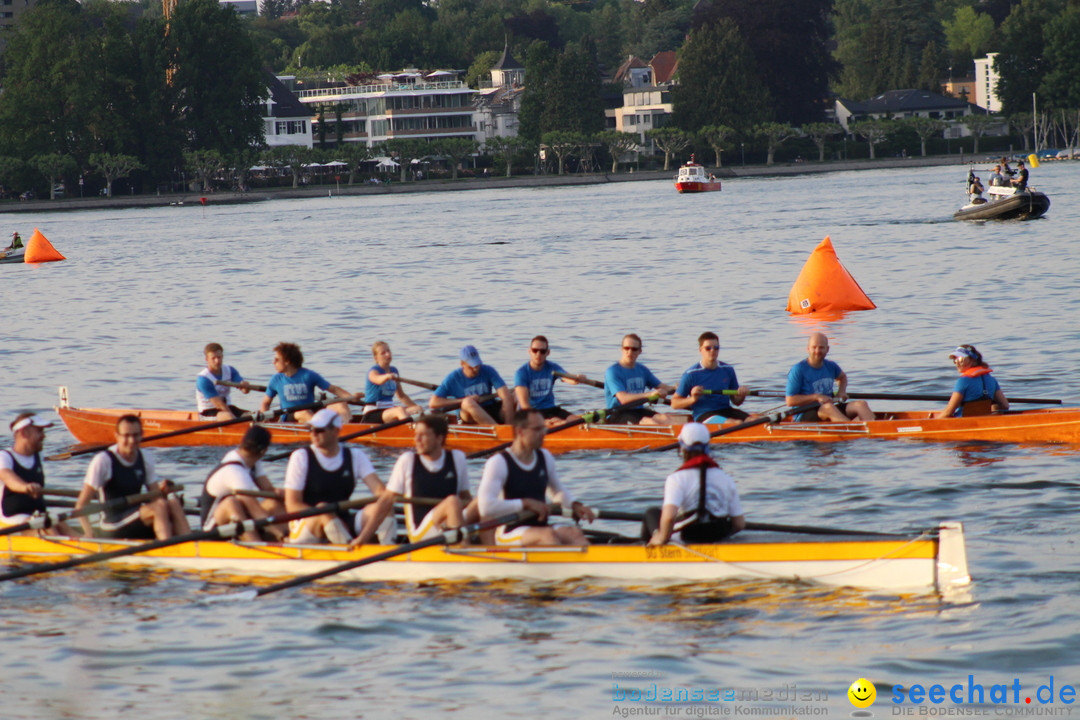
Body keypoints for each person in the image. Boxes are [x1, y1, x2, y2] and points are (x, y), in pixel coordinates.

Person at [477, 409, 594, 546]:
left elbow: (557, 492)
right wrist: (525, 503)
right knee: (547, 536)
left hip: (539, 526)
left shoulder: (545, 457)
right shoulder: (499, 462)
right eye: (537, 429)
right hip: (509, 530)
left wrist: (576, 504)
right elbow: (485, 507)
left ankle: (592, 566)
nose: (543, 434)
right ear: (520, 432)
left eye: (543, 429)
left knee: (574, 533)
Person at [283, 408, 395, 545]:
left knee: (386, 503)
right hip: (306, 524)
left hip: (342, 519)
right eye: (311, 429)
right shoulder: (301, 456)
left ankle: (389, 549)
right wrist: (326, 515)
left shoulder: (355, 456)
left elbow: (380, 492)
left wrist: (369, 528)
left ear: (336, 431)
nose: (313, 434)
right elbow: (292, 504)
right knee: (323, 508)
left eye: (319, 430)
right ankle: (348, 549)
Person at [74, 415, 190, 539]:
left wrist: (164, 491)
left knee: (173, 502)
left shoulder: (145, 457)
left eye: (135, 435)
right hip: (112, 525)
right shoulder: (103, 461)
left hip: (136, 518)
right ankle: (166, 548)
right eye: (126, 436)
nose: (131, 440)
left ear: (142, 435)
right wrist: (89, 533)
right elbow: (81, 506)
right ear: (117, 436)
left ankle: (192, 546)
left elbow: (156, 497)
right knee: (160, 506)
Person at [645, 423, 745, 546]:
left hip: (686, 537)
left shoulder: (676, 479)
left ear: (682, 447)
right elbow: (739, 524)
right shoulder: (726, 478)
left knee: (652, 513)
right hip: (718, 535)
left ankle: (647, 553)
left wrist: (661, 538)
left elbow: (669, 518)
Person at [385, 414, 476, 543]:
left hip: (449, 522)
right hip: (421, 532)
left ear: (439, 438)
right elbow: (385, 501)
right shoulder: (408, 460)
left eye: (423, 435)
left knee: (482, 501)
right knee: (452, 502)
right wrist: (373, 539)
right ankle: (465, 551)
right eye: (416, 434)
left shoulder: (457, 457)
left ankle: (491, 548)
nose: (417, 439)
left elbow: (466, 498)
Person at [200, 425, 286, 542]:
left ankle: (292, 537)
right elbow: (255, 509)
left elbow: (269, 490)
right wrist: (279, 533)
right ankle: (257, 543)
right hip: (212, 527)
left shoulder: (252, 461)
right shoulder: (235, 471)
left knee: (275, 501)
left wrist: (291, 495)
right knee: (232, 503)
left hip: (239, 518)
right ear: (264, 451)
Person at [0, 413, 73, 535]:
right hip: (10, 519)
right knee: (48, 528)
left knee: (60, 522)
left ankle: (92, 543)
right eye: (39, 431)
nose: (44, 436)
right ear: (24, 434)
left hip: (36, 515)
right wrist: (25, 487)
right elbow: (8, 478)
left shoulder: (38, 455)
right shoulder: (4, 457)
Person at [785, 333, 874, 422]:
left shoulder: (831, 366)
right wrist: (816, 397)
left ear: (827, 349)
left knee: (861, 404)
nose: (817, 351)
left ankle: (875, 430)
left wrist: (841, 391)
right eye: (814, 347)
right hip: (805, 414)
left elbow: (842, 378)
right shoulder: (798, 370)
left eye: (821, 347)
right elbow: (790, 401)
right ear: (808, 348)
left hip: (830, 408)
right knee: (828, 407)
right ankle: (852, 431)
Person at [260, 342, 354, 425]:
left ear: (287, 361)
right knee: (302, 412)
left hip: (310, 410)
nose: (273, 362)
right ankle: (321, 429)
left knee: (339, 403)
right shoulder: (276, 379)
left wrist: (351, 398)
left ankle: (345, 428)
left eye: (277, 360)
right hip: (289, 415)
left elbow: (334, 389)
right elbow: (265, 403)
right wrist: (265, 420)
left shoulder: (309, 375)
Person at [671, 332, 752, 424]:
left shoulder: (728, 370)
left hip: (726, 410)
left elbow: (737, 402)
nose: (712, 351)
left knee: (754, 421)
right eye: (708, 348)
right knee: (735, 423)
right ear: (700, 350)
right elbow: (674, 404)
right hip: (704, 414)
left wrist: (742, 395)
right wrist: (693, 399)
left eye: (716, 348)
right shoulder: (691, 374)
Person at [430, 345, 515, 425]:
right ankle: (500, 431)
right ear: (462, 364)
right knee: (467, 402)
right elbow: (433, 403)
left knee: (513, 395)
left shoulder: (488, 370)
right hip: (469, 415)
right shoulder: (453, 378)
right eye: (471, 366)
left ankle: (509, 429)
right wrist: (462, 400)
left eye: (477, 365)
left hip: (490, 408)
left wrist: (506, 397)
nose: (475, 369)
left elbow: (505, 394)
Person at [513, 335, 587, 427]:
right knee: (561, 424)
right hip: (532, 413)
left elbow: (568, 378)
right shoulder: (521, 373)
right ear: (529, 351)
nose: (538, 354)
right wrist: (540, 422)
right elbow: (524, 405)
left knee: (578, 421)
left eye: (542, 351)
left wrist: (577, 378)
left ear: (548, 353)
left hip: (551, 409)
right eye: (535, 350)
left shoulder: (552, 368)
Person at [603, 334, 676, 425]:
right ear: (621, 349)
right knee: (650, 422)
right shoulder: (613, 371)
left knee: (666, 419)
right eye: (627, 348)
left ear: (640, 351)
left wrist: (678, 387)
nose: (630, 352)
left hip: (638, 410)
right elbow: (623, 399)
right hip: (618, 413)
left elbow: (663, 387)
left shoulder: (642, 370)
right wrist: (650, 394)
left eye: (634, 349)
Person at [933, 345, 1009, 419]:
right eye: (955, 360)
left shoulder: (963, 381)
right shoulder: (992, 380)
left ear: (972, 360)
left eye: (960, 359)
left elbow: (948, 412)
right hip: (984, 420)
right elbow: (1005, 406)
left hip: (963, 422)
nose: (957, 363)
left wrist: (932, 422)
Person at [360, 341, 422, 424]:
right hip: (373, 413)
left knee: (418, 409)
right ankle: (410, 432)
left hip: (388, 410)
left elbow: (401, 396)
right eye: (383, 353)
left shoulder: (394, 370)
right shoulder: (373, 371)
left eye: (388, 351)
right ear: (376, 358)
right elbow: (378, 380)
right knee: (399, 411)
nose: (388, 354)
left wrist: (416, 408)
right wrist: (387, 376)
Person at [196, 342, 251, 419]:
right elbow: (219, 404)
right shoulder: (203, 379)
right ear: (206, 359)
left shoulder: (230, 370)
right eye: (213, 358)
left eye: (219, 357)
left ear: (222, 356)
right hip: (208, 412)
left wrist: (245, 386)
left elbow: (245, 391)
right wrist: (235, 418)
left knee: (255, 415)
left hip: (228, 407)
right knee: (228, 417)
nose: (217, 361)